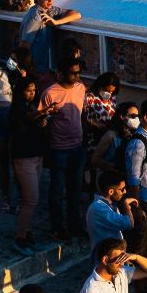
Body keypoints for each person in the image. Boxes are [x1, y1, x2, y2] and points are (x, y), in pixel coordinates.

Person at [42, 58, 90, 241]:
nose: (76, 76)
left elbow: (82, 114)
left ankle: (75, 225)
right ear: (62, 73)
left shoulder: (80, 88)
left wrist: (84, 139)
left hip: (77, 147)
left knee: (75, 189)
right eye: (73, 73)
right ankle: (57, 227)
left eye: (78, 72)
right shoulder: (50, 93)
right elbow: (43, 121)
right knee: (57, 189)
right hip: (58, 149)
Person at [9, 73, 49, 248]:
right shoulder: (17, 109)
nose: (32, 93)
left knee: (28, 200)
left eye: (34, 90)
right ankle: (20, 236)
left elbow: (36, 121)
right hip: (24, 158)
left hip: (37, 156)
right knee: (31, 200)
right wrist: (43, 113)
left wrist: (42, 120)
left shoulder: (33, 106)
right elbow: (27, 119)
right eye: (28, 91)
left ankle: (26, 231)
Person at [20, 0, 81, 72]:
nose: (50, 0)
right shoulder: (36, 18)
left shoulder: (50, 11)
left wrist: (56, 22)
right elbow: (24, 47)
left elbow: (77, 14)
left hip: (42, 67)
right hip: (35, 69)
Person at [88, 169, 140, 246]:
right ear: (111, 192)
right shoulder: (99, 208)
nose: (125, 191)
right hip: (106, 255)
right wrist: (125, 205)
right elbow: (128, 224)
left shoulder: (108, 204)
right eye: (122, 189)